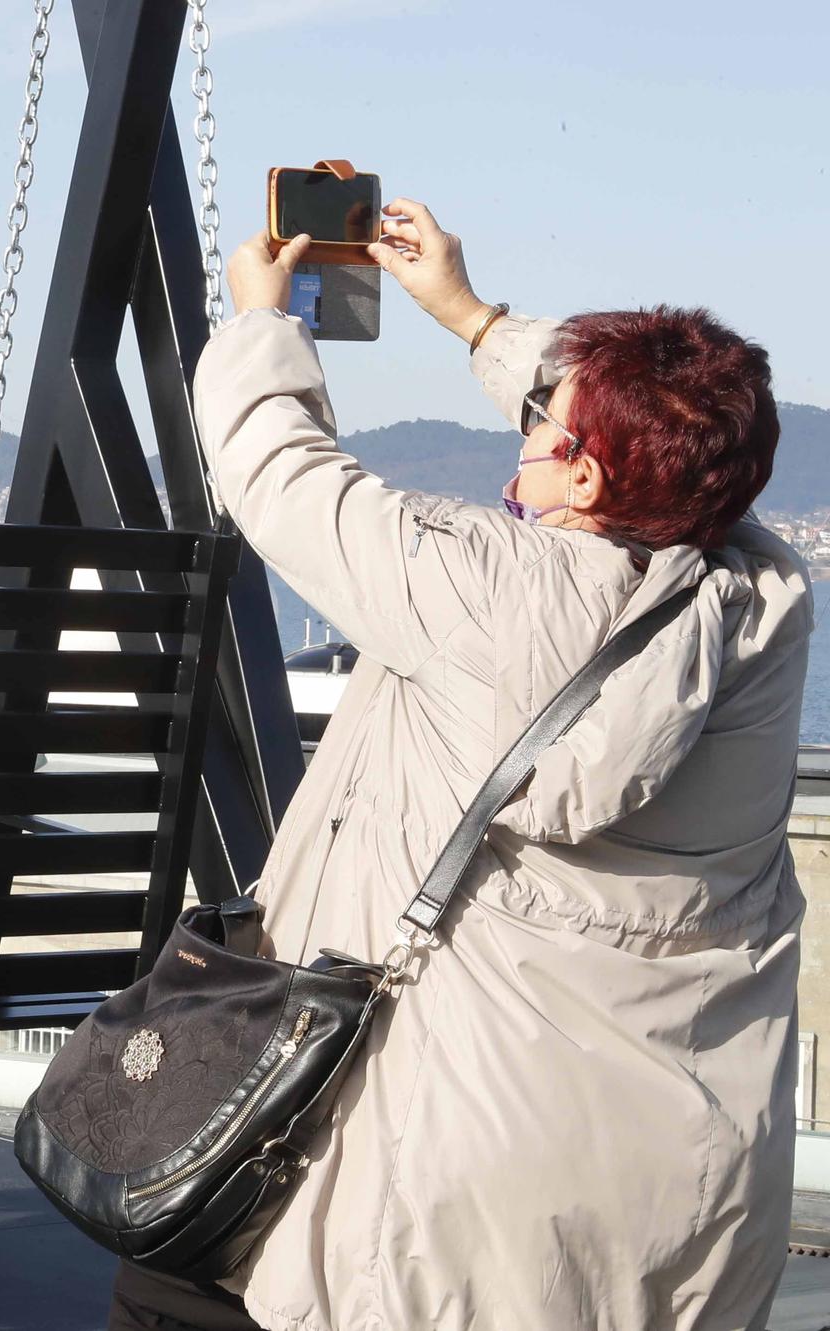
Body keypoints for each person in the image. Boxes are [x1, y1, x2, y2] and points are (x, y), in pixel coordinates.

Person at [110, 201, 804, 1331]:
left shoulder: (480, 582)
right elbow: (687, 444)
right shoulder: (761, 599)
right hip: (678, 1184)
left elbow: (278, 472)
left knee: (169, 1287)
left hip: (445, 1188)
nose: (520, 444)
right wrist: (469, 316)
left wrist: (258, 321)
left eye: (543, 434)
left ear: (581, 480)